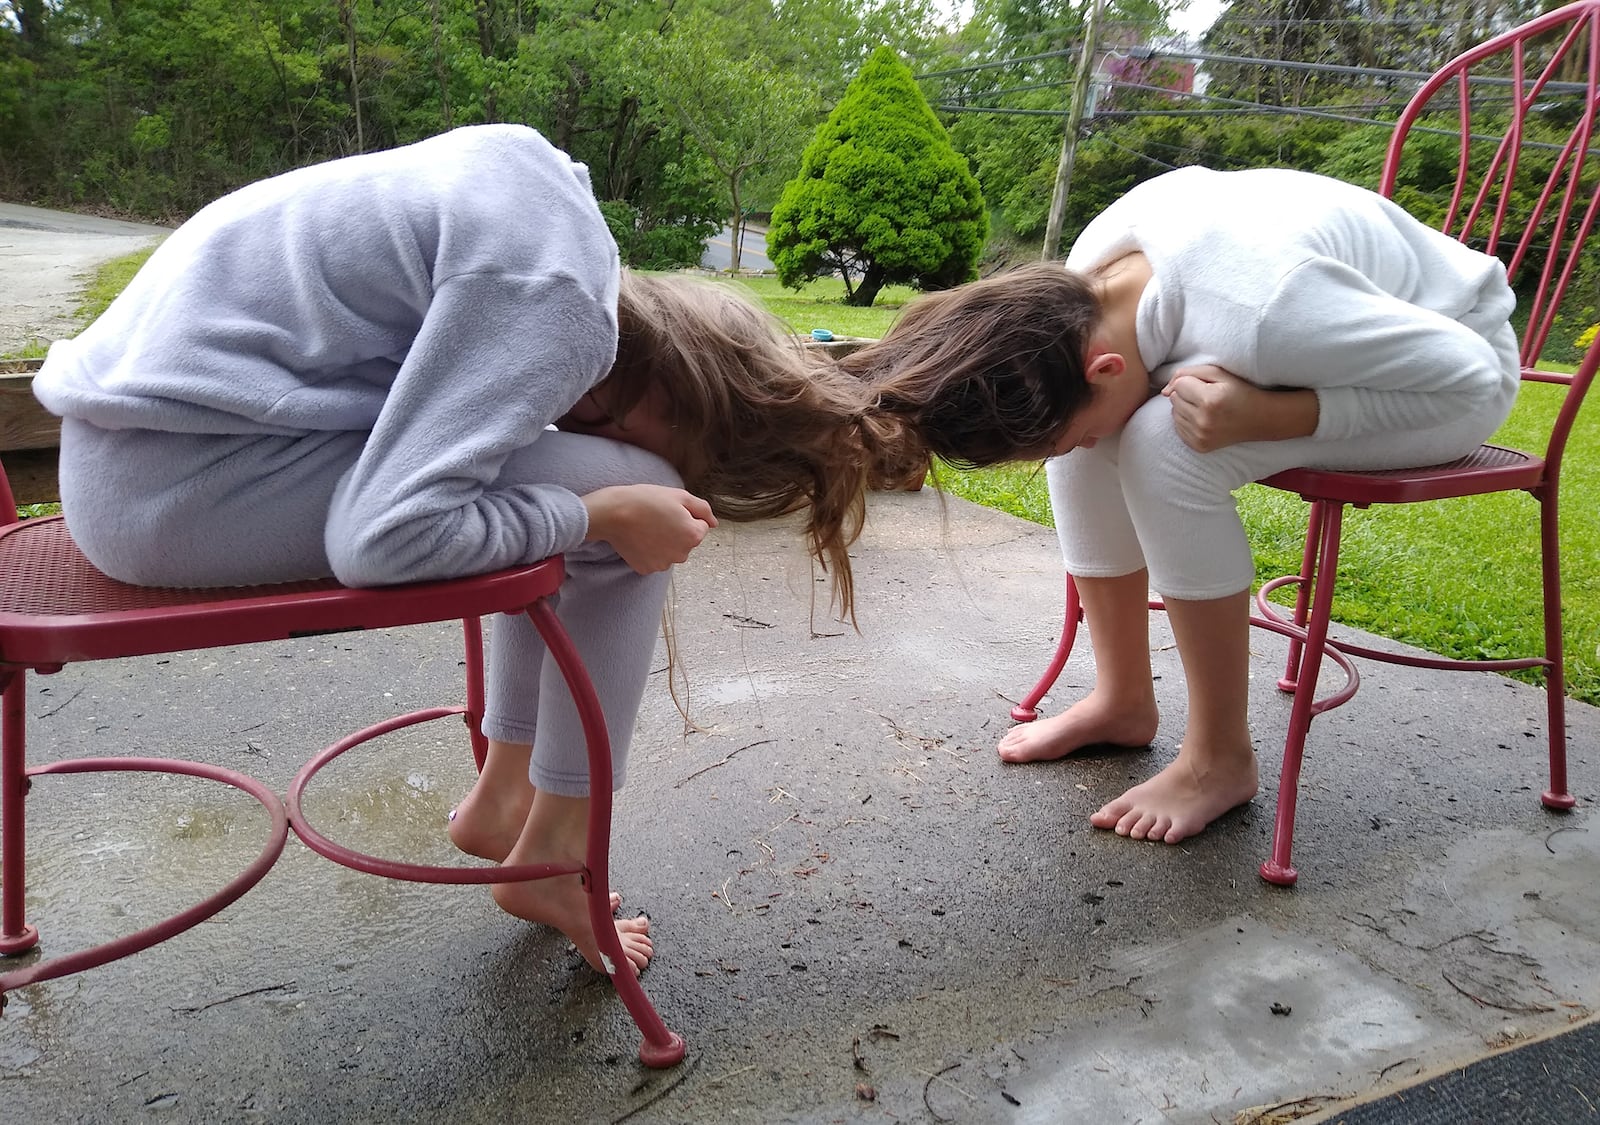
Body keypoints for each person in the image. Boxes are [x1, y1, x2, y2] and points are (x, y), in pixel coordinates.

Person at [33, 124, 904, 974]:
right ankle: (558, 855)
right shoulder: (556, 306)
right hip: (174, 488)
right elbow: (380, 539)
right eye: (695, 454)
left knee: (599, 487)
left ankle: (504, 800)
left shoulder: (547, 195)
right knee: (636, 498)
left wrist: (597, 503)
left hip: (135, 450)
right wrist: (602, 514)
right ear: (688, 394)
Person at [846, 165, 1520, 845]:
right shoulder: (1089, 282)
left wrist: (1275, 413)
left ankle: (1220, 759)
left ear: (1105, 367)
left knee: (1162, 441)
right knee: (1105, 439)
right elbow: (1089, 411)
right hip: (1331, 340)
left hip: (1454, 363)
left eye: (1069, 429)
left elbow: (1472, 373)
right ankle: (1122, 699)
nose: (1073, 447)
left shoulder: (1265, 312)